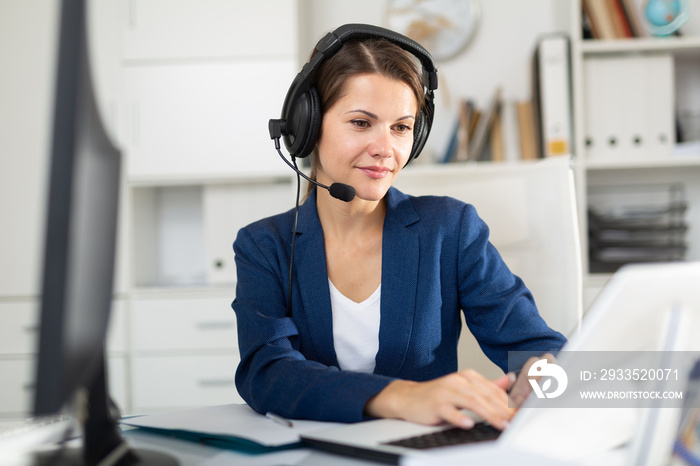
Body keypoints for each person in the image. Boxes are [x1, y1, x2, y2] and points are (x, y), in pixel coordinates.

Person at [232, 24, 566, 432]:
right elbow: (266, 372)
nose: (385, 149)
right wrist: (401, 397)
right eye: (360, 123)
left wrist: (543, 380)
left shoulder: (451, 229)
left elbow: (537, 346)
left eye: (401, 127)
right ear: (308, 125)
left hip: (422, 452)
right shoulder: (264, 245)